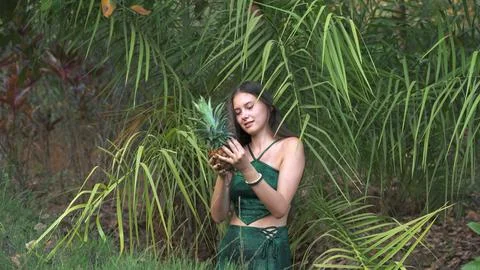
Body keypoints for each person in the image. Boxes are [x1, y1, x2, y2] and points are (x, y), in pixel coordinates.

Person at [209, 81, 305, 269]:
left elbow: (280, 209)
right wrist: (223, 176)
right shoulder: (238, 152)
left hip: (268, 249)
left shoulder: (291, 146)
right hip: (232, 247)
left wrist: (246, 169)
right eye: (238, 112)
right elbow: (218, 216)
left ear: (268, 106)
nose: (244, 115)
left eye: (249, 107)